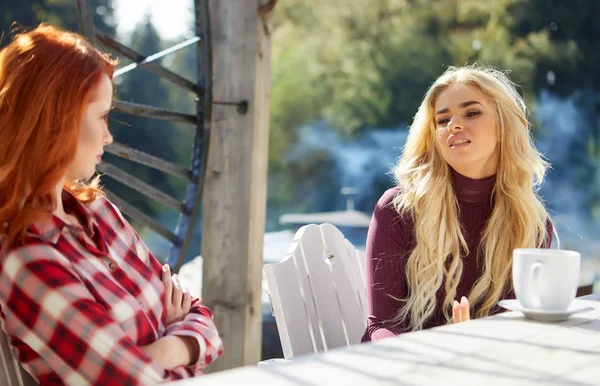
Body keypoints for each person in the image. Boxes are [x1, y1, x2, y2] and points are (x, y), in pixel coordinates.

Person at [0, 24, 223, 384]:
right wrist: (179, 337)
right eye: (102, 117)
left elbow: (202, 319)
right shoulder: (26, 257)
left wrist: (165, 350)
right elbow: (134, 381)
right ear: (57, 120)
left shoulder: (100, 213)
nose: (109, 135)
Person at [361, 65, 554, 342]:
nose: (453, 125)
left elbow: (522, 332)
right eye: (442, 120)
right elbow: (379, 325)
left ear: (504, 127)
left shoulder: (531, 225)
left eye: (471, 113)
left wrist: (474, 344)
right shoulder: (398, 209)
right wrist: (442, 348)